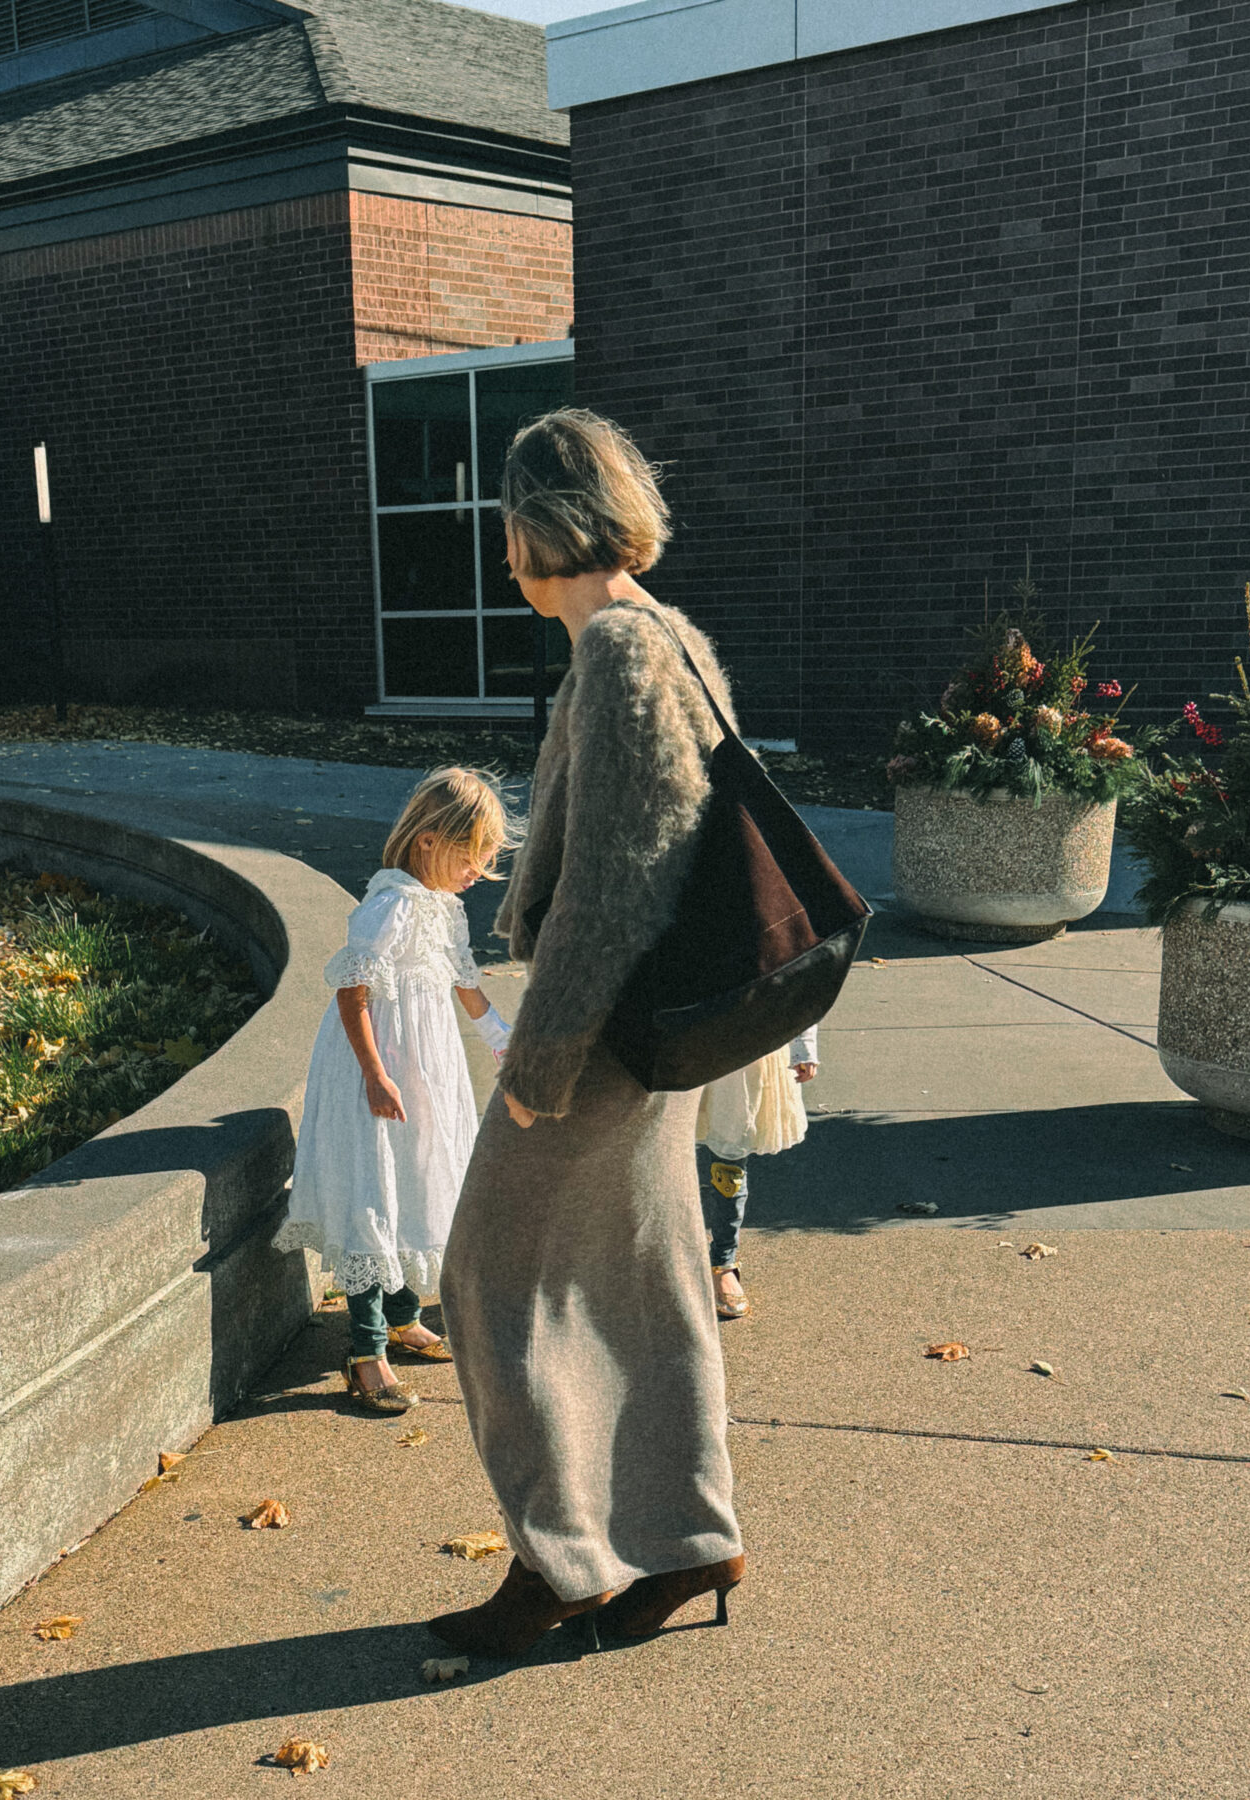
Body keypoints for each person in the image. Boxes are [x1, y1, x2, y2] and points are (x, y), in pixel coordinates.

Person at [435, 408, 747, 1660]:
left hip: (608, 1040)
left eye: (504, 525)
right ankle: (690, 1536)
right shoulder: (663, 637)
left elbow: (619, 884)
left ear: (533, 526)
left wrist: (540, 1064)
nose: (499, 551)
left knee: (490, 1278)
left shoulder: (620, 652)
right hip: (661, 1032)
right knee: (648, 1279)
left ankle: (561, 1560)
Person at [276, 769, 514, 1415]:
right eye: (474, 856)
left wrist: (503, 1040)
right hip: (376, 1070)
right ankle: (366, 1350)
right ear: (431, 841)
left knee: (418, 1183)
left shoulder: (445, 909)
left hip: (428, 1072)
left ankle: (406, 1319)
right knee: (374, 1192)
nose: (480, 871)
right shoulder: (392, 904)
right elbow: (353, 993)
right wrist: (375, 1076)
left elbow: (465, 984)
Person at [699, 1034, 819, 1320]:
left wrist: (804, 1047)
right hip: (674, 1031)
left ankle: (723, 1263)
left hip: (745, 1046)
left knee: (730, 1154)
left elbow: (794, 988)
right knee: (655, 1147)